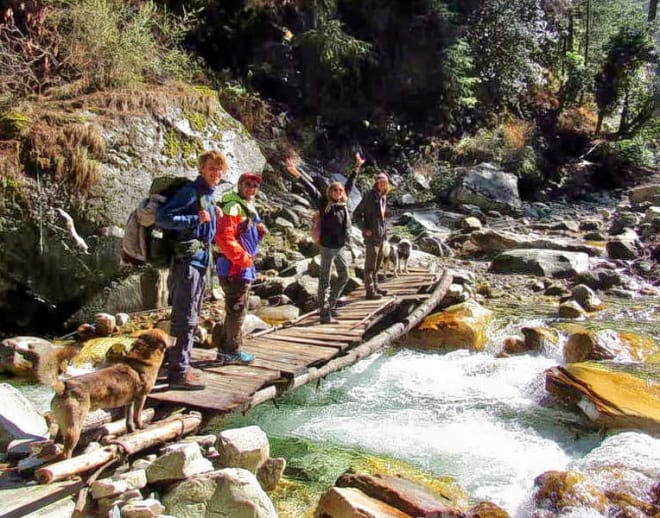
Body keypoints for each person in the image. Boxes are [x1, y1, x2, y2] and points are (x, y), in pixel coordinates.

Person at [156, 150, 227, 390]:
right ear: (201, 169)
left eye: (219, 170)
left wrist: (214, 216)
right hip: (187, 264)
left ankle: (181, 363)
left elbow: (206, 226)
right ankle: (178, 373)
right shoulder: (190, 192)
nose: (215, 173)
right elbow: (163, 219)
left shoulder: (208, 194)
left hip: (200, 263)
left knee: (192, 315)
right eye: (211, 169)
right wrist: (196, 218)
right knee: (184, 317)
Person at [285, 152, 365, 324]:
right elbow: (310, 188)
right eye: (334, 190)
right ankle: (324, 313)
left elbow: (350, 182)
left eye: (339, 190)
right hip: (327, 247)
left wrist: (357, 166)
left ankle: (332, 305)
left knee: (343, 276)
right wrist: (296, 173)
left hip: (340, 247)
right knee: (325, 280)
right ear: (330, 192)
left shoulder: (343, 202)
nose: (337, 192)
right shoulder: (324, 203)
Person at [215, 172, 268, 364]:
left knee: (233, 309)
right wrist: (244, 259)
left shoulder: (246, 206)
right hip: (235, 268)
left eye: (255, 186)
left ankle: (223, 350)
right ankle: (233, 352)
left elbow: (242, 236)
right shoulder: (234, 206)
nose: (251, 188)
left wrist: (259, 233)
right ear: (239, 185)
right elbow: (223, 237)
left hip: (238, 266)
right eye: (247, 184)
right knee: (238, 310)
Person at [353, 171, 391, 300]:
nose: (382, 184)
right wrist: (365, 229)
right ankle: (370, 291)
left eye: (384, 183)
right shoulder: (369, 196)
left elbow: (382, 218)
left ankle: (376, 287)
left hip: (381, 237)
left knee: (377, 264)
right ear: (376, 183)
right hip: (371, 237)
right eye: (380, 182)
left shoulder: (383, 197)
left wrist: (385, 234)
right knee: (370, 266)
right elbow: (356, 214)